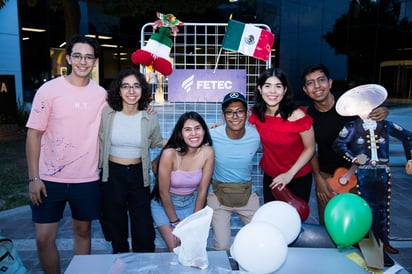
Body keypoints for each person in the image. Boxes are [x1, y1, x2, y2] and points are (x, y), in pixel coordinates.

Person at [26, 34, 106, 274]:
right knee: (43, 237)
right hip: (49, 179)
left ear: (95, 62)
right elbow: (34, 135)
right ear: (69, 58)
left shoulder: (101, 95)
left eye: (89, 57)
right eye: (78, 56)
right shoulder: (49, 90)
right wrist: (34, 178)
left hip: (87, 179)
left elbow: (126, 113)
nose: (83, 61)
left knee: (82, 232)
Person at [301, 64, 388, 226]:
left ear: (330, 83)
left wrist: (382, 111)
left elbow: (373, 115)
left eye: (321, 80)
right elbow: (311, 150)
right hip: (327, 176)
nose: (317, 86)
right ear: (305, 90)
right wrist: (318, 179)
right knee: (329, 225)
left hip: (359, 173)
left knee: (357, 225)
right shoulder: (309, 115)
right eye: (310, 83)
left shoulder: (349, 102)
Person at [332, 84, 412, 254]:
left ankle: (384, 241)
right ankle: (366, 242)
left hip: (383, 170)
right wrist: (354, 158)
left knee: (383, 208)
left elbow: (407, 136)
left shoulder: (385, 125)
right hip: (364, 171)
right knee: (366, 207)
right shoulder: (352, 127)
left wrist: (410, 158)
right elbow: (338, 145)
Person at [98, 68, 164, 253]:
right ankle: (120, 263)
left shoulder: (148, 116)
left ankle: (143, 267)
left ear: (142, 90)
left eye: (136, 86)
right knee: (116, 227)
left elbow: (157, 142)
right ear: (118, 90)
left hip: (138, 174)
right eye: (125, 86)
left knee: (143, 230)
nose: (131, 91)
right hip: (112, 175)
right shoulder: (108, 113)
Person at [150, 111, 215, 251]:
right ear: (180, 133)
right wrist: (175, 223)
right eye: (187, 129)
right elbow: (163, 192)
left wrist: (194, 222)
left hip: (191, 203)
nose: (193, 133)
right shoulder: (170, 154)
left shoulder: (208, 152)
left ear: (204, 130)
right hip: (165, 205)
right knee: (176, 249)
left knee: (192, 248)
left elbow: (203, 190)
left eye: (197, 128)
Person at [249, 67, 315, 203]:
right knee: (272, 218)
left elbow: (310, 148)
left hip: (297, 176)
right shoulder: (256, 114)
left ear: (284, 90)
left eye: (278, 86)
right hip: (271, 177)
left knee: (294, 220)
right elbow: (241, 127)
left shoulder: (298, 116)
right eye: (267, 86)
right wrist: (222, 126)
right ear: (260, 89)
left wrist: (289, 174)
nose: (272, 91)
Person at [207, 92, 261, 251]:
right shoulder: (212, 135)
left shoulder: (256, 135)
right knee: (221, 247)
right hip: (218, 196)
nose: (235, 116)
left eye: (240, 111)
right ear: (223, 117)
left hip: (247, 194)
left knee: (261, 239)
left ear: (247, 114)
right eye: (229, 112)